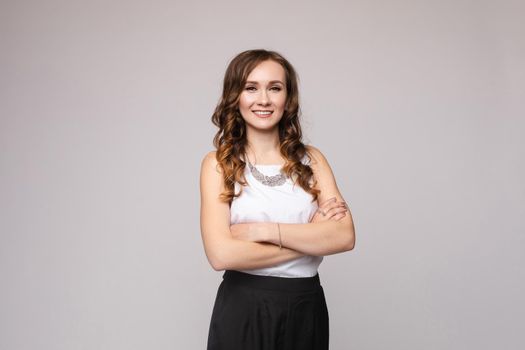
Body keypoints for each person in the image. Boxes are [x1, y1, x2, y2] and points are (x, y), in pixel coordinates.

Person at [200, 49, 356, 350]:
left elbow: (344, 236)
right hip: (244, 306)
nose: (264, 99)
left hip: (305, 306)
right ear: (236, 96)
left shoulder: (313, 160)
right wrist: (310, 241)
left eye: (275, 88)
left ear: (288, 98)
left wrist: (264, 231)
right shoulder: (217, 164)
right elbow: (222, 256)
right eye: (251, 88)